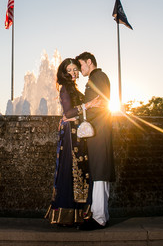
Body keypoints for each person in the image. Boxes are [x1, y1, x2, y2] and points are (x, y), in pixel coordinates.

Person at [45, 58, 102, 226]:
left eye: (75, 69)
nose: (73, 72)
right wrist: (88, 105)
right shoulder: (65, 88)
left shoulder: (74, 88)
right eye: (69, 70)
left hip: (76, 133)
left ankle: (79, 214)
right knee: (72, 171)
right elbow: (69, 112)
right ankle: (67, 215)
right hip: (70, 136)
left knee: (80, 172)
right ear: (64, 72)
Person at [75, 51, 115, 230]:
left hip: (99, 130)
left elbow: (99, 105)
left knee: (99, 173)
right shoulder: (98, 77)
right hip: (100, 130)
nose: (80, 69)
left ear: (89, 62)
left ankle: (98, 218)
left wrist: (80, 113)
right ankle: (103, 215)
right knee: (101, 173)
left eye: (81, 65)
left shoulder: (97, 77)